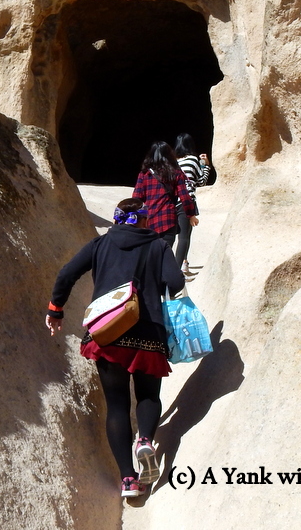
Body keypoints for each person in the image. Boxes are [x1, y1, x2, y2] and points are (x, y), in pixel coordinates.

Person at [45, 198, 185, 498]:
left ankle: (128, 480)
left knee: (118, 405)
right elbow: (175, 282)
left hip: (108, 334)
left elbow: (67, 273)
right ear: (144, 219)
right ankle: (145, 440)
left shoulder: (100, 244)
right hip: (148, 333)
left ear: (118, 219)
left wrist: (56, 308)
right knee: (148, 395)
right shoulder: (158, 246)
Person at [132, 141, 198, 250]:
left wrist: (135, 220)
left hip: (149, 221)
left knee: (150, 255)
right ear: (169, 155)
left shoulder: (144, 174)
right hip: (168, 220)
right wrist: (191, 215)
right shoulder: (176, 173)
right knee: (164, 254)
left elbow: (136, 199)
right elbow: (185, 197)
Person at [173, 133, 212, 274]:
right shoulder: (192, 159)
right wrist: (206, 165)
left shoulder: (173, 162)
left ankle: (177, 264)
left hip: (172, 201)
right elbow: (201, 181)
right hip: (187, 201)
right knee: (184, 236)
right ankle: (179, 267)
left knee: (172, 236)